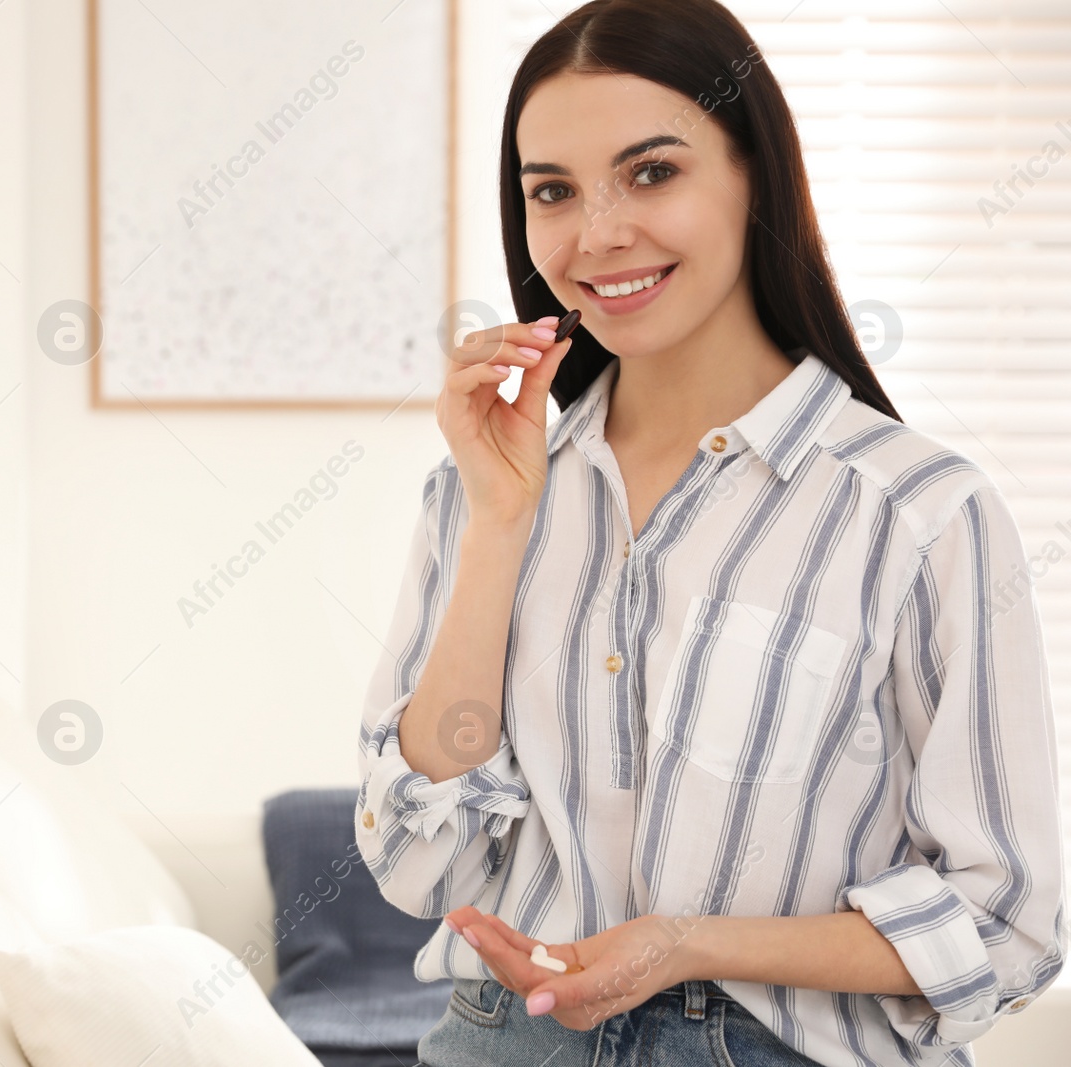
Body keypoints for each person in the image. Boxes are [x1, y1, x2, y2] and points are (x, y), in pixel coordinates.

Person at [352, 1, 1067, 1065]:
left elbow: (1002, 920)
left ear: (753, 178)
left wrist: (687, 945)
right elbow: (420, 862)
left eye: (651, 173)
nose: (595, 234)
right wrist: (500, 525)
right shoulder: (477, 495)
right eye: (552, 190)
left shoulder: (916, 512)